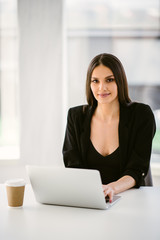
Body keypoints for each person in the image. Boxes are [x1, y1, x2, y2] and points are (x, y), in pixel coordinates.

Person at [62, 53, 156, 203]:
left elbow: (137, 169)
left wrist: (111, 188)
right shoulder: (76, 117)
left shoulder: (141, 115)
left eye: (109, 80)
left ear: (120, 81)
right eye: (95, 81)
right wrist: (94, 193)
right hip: (90, 200)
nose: (102, 88)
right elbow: (73, 166)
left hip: (132, 201)